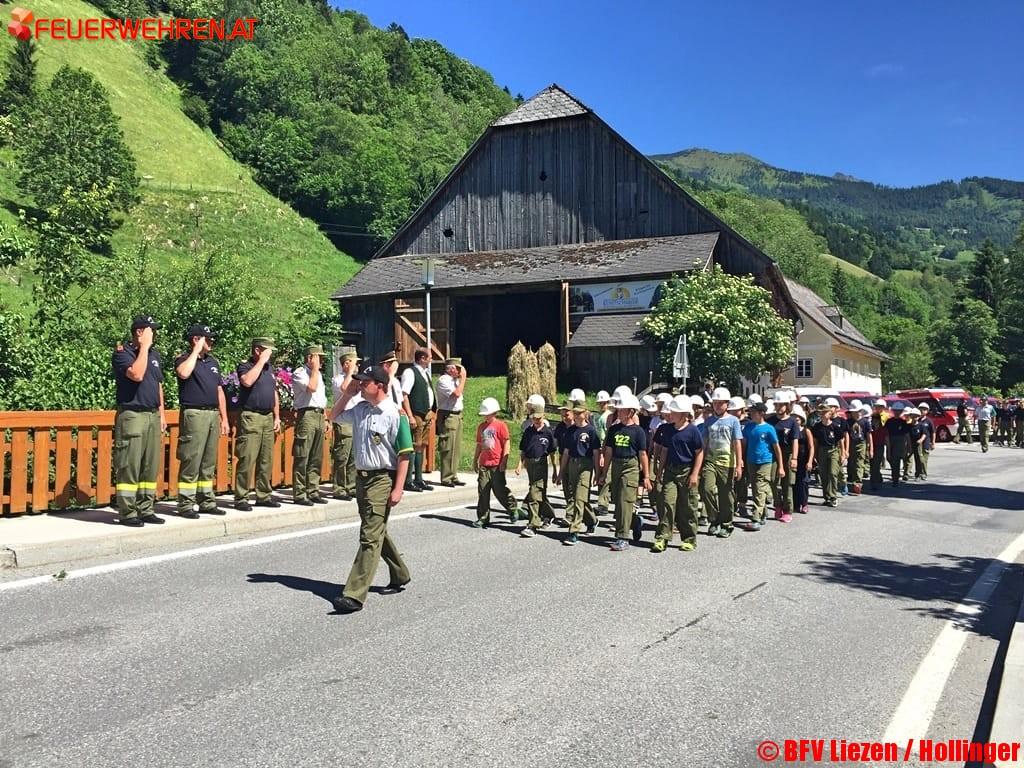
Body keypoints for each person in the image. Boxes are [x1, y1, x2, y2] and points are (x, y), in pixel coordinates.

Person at [329, 364, 413, 614]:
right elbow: (333, 416)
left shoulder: (394, 414)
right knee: (375, 529)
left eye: (365, 382)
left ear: (380, 385)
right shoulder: (360, 409)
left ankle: (354, 594)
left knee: (369, 535)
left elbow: (405, 454)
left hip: (381, 479)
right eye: (360, 381)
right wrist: (347, 393)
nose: (361, 384)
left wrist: (398, 488)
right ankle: (400, 573)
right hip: (362, 478)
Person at [112, 315, 167, 526]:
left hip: (152, 414)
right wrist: (143, 348)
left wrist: (161, 413)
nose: (155, 334)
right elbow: (136, 374)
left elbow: (157, 384)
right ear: (140, 332)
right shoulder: (122, 354)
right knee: (130, 464)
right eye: (151, 330)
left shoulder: (154, 355)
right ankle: (128, 512)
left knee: (149, 465)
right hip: (132, 415)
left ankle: (146, 508)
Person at [174, 324, 228, 519]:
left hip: (212, 414)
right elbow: (183, 373)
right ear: (196, 339)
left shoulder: (213, 362)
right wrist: (195, 351)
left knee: (208, 461)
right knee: (191, 459)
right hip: (194, 414)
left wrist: (224, 418)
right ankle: (185, 504)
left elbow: (219, 390)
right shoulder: (183, 359)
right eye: (207, 338)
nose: (212, 341)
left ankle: (206, 501)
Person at [597, 393, 650, 551]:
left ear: (630, 412)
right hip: (616, 464)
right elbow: (608, 452)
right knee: (617, 501)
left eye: (621, 409)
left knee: (625, 501)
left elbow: (642, 454)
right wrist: (604, 473)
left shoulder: (638, 432)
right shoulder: (614, 429)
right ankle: (634, 522)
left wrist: (646, 476)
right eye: (618, 409)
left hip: (631, 466)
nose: (618, 412)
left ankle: (623, 537)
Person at [234, 338, 281, 510]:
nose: (270, 354)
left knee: (265, 459)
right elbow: (247, 381)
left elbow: (273, 392)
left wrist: (277, 416)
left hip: (267, 417)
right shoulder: (246, 366)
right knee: (247, 458)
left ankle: (263, 495)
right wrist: (261, 361)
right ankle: (241, 497)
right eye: (267, 351)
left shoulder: (270, 368)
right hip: (251, 416)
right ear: (257, 350)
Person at [657, 395, 705, 550]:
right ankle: (662, 537)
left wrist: (694, 474)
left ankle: (689, 538)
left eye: (675, 412)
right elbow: (664, 450)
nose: (671, 414)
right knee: (667, 503)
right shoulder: (668, 430)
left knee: (688, 506)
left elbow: (699, 452)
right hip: (670, 470)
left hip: (686, 470)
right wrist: (659, 471)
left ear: (684, 414)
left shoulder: (693, 431)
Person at [702, 387, 744, 538]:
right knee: (707, 489)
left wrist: (739, 464)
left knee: (726, 495)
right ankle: (714, 519)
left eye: (721, 403)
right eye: (715, 403)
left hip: (727, 462)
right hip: (710, 461)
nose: (718, 406)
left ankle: (727, 523)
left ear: (727, 404)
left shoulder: (734, 421)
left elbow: (737, 443)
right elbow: (704, 442)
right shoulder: (709, 421)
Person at [558, 401, 601, 545]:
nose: (576, 416)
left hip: (586, 465)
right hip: (572, 464)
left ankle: (574, 531)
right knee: (579, 497)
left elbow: (596, 453)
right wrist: (561, 472)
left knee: (579, 498)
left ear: (586, 413)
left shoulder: (591, 431)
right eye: (575, 413)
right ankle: (592, 520)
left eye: (579, 413)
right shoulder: (570, 431)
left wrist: (597, 472)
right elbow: (566, 452)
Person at [291, 344, 328, 506]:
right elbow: (311, 389)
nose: (322, 361)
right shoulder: (300, 373)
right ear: (310, 358)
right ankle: (300, 493)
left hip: (319, 414)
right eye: (319, 357)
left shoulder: (317, 374)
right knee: (302, 455)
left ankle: (313, 490)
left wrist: (325, 418)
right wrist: (314, 369)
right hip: (306, 414)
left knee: (316, 456)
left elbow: (321, 398)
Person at [473, 397, 519, 528]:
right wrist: (475, 459)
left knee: (499, 490)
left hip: (496, 463)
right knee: (483, 490)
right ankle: (483, 517)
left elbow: (506, 443)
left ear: (494, 413)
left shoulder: (500, 426)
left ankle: (512, 509)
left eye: (487, 414)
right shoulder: (481, 427)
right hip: (484, 463)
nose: (485, 417)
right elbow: (479, 445)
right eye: (484, 414)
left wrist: (504, 460)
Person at [740, 401, 783, 531]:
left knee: (760, 487)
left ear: (761, 413)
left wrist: (780, 466)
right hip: (751, 461)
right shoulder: (748, 427)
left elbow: (776, 448)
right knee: (755, 489)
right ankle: (763, 513)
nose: (751, 414)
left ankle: (756, 518)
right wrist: (741, 459)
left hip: (765, 462)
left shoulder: (769, 429)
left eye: (753, 412)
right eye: (750, 412)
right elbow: (744, 445)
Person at [517, 400, 557, 536]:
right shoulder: (528, 432)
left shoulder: (548, 432)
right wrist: (519, 465)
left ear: (543, 417)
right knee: (538, 492)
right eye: (533, 418)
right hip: (530, 464)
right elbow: (523, 449)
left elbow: (552, 452)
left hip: (542, 464)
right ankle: (549, 514)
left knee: (534, 494)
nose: (536, 420)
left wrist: (555, 471)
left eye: (538, 418)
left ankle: (533, 524)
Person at [400, 348, 436, 492]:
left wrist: (432, 410)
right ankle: (408, 480)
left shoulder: (425, 373)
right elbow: (404, 395)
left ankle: (419, 479)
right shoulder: (410, 372)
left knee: (422, 445)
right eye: (429, 358)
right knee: (414, 445)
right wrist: (409, 416)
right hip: (416, 413)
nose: (431, 360)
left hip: (425, 413)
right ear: (422, 358)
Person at [330, 351, 360, 501]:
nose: (357, 366)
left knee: (354, 455)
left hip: (355, 420)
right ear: (346, 364)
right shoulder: (337, 379)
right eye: (354, 363)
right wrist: (349, 373)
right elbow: (344, 389)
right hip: (343, 420)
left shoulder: (357, 380)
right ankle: (339, 488)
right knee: (342, 455)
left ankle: (351, 485)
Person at [769, 391, 800, 521]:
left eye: (781, 405)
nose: (779, 407)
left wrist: (794, 458)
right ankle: (777, 505)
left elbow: (795, 441)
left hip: (787, 453)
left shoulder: (793, 422)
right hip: (773, 454)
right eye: (776, 405)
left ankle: (788, 510)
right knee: (772, 481)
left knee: (787, 483)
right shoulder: (770, 421)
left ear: (787, 406)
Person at [436, 357, 467, 486]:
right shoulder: (444, 380)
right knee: (448, 446)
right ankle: (446, 477)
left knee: (456, 447)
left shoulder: (455, 380)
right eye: (457, 368)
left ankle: (453, 474)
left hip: (457, 415)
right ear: (450, 369)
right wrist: (463, 378)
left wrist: (460, 379)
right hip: (448, 415)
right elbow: (456, 394)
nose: (459, 371)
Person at [811, 404, 843, 507]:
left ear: (830, 413)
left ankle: (833, 496)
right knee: (823, 474)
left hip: (833, 450)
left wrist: (843, 454)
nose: (823, 414)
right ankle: (827, 497)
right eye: (821, 413)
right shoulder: (817, 427)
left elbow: (840, 441)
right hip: (822, 450)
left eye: (825, 412)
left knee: (833, 473)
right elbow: (815, 442)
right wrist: (814, 455)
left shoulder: (835, 427)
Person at [792, 404, 814, 514]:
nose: (796, 419)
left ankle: (804, 503)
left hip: (804, 460)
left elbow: (811, 447)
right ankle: (796, 504)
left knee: (804, 483)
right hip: (794, 460)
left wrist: (810, 461)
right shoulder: (791, 430)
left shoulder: (806, 431)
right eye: (793, 417)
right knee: (794, 483)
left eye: (797, 417)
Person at [845, 402, 870, 495]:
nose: (854, 413)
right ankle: (851, 478)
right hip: (851, 443)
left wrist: (869, 447)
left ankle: (858, 483)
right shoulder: (848, 422)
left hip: (861, 443)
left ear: (860, 411)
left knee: (859, 463)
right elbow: (845, 435)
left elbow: (868, 435)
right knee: (851, 462)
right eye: (852, 412)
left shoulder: (865, 421)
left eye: (856, 411)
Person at [595, 391, 613, 513]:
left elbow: (606, 434)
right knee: (599, 473)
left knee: (605, 475)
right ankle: (602, 498)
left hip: (604, 447)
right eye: (600, 403)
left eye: (604, 403)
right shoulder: (597, 416)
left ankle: (603, 503)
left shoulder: (608, 416)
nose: (602, 405)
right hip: (598, 446)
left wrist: (603, 451)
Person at [884, 402, 910, 485]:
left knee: (896, 460)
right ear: (893, 411)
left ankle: (895, 478)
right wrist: (886, 442)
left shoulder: (903, 422)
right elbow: (886, 433)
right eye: (896, 410)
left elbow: (907, 435)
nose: (897, 412)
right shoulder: (889, 421)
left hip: (900, 442)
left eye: (899, 411)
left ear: (901, 411)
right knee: (889, 458)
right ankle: (895, 474)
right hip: (890, 440)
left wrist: (909, 445)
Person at [869, 399, 888, 491]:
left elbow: (886, 438)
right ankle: (878, 477)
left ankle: (874, 482)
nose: (874, 422)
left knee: (876, 464)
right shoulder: (871, 430)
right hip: (872, 447)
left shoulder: (883, 427)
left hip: (879, 446)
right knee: (872, 464)